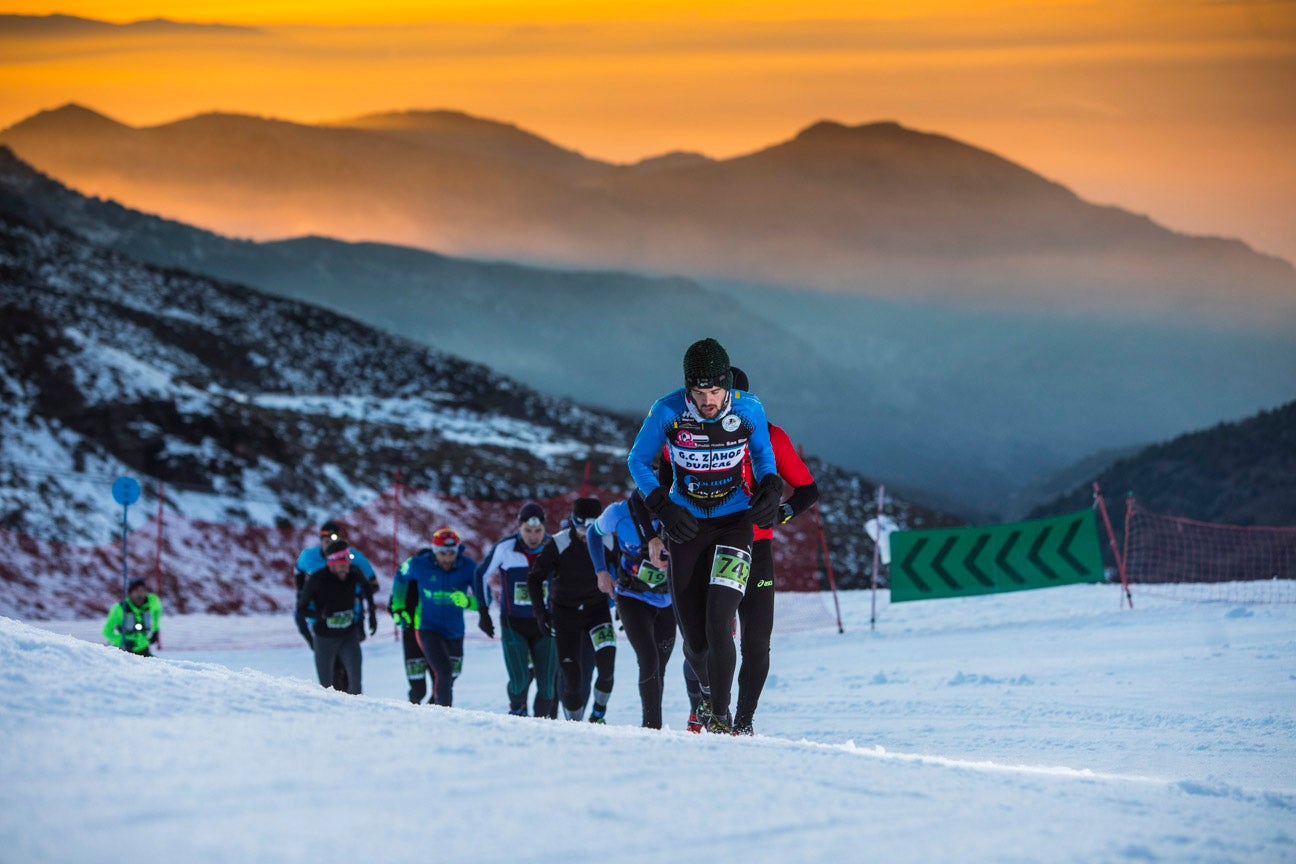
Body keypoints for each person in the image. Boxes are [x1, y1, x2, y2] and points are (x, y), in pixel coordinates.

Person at [626, 337, 782, 732]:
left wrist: (769, 486)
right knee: (695, 642)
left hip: (734, 522)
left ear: (727, 385)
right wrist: (662, 505)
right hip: (687, 525)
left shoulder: (749, 409)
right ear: (688, 388)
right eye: (699, 392)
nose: (708, 400)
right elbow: (638, 460)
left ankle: (722, 714)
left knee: (719, 618)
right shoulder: (667, 410)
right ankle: (712, 695)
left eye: (715, 390)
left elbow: (763, 456)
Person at [728, 366, 819, 736]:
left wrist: (780, 513)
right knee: (709, 636)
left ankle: (743, 721)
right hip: (711, 544)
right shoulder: (695, 435)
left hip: (757, 546)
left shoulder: (769, 435)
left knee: (757, 641)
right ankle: (706, 706)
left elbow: (808, 490)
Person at [587, 490, 680, 729]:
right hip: (631, 596)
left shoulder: (679, 509)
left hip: (668, 599)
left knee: (660, 665)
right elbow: (593, 533)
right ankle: (652, 727)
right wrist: (601, 571)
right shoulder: (618, 513)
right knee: (648, 659)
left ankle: (654, 724)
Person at [530, 497, 615, 723]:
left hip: (597, 611)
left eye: (591, 527)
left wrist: (626, 607)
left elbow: (626, 571)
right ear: (572, 522)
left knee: (607, 667)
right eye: (580, 526)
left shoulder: (607, 540)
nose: (585, 533)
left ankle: (598, 713)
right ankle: (574, 725)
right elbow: (534, 578)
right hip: (565, 615)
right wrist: (541, 614)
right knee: (572, 678)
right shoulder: (559, 543)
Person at [474, 502, 558, 717]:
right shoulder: (505, 548)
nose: (533, 536)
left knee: (547, 687)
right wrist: (483, 612)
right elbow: (480, 574)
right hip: (514, 623)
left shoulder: (554, 547)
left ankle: (542, 726)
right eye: (528, 531)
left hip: (546, 623)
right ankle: (516, 709)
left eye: (538, 531)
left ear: (544, 529)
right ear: (519, 528)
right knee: (519, 682)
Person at [390, 527, 481, 707]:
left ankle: (434, 708)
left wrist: (468, 602)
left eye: (451, 553)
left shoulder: (469, 567)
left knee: (450, 676)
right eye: (442, 554)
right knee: (443, 673)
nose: (447, 558)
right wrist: (398, 608)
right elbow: (400, 576)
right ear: (434, 551)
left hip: (455, 631)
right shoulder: (418, 564)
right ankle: (442, 713)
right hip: (426, 627)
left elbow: (486, 600)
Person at [294, 519, 378, 690]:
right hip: (321, 627)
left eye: (334, 541)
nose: (344, 566)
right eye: (326, 542)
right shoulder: (311, 561)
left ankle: (350, 699)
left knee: (351, 677)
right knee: (329, 677)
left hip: (350, 621)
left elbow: (372, 585)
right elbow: (298, 573)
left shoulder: (354, 562)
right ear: (320, 542)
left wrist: (354, 596)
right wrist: (302, 593)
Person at [103, 578, 161, 656]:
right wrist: (122, 641)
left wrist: (155, 630)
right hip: (125, 652)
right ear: (130, 593)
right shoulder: (120, 608)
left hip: (144, 649)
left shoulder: (152, 602)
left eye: (143, 591)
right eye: (136, 591)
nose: (140, 594)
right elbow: (106, 631)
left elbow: (157, 612)